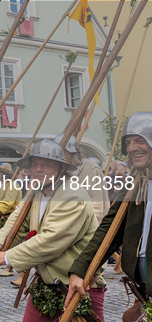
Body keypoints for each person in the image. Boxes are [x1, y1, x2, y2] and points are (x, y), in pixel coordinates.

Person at [0, 139, 103, 322]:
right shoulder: (36, 193)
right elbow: (16, 223)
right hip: (47, 282)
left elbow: (51, 240)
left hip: (79, 283)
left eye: (46, 164)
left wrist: (7, 257)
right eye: (35, 164)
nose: (38, 169)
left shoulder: (72, 195)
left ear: (61, 169)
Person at [67, 112, 152, 313]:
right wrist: (82, 268)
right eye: (129, 142)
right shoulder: (134, 184)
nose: (132, 148)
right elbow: (109, 230)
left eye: (139, 141)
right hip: (144, 293)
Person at [54, 133, 110, 224]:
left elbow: (97, 207)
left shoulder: (92, 170)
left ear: (73, 153)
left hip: (85, 227)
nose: (60, 156)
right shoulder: (58, 170)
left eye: (63, 152)